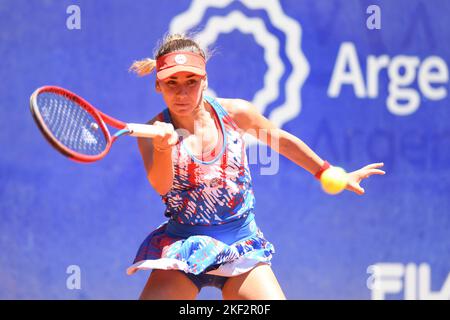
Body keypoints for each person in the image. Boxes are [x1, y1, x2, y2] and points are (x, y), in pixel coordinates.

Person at [126, 34, 385, 300]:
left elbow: (281, 141)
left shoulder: (237, 113)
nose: (182, 93)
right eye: (171, 83)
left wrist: (326, 171)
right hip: (184, 248)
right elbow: (162, 185)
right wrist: (162, 147)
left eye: (191, 82)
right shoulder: (152, 133)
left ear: (205, 80)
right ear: (158, 85)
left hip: (240, 244)